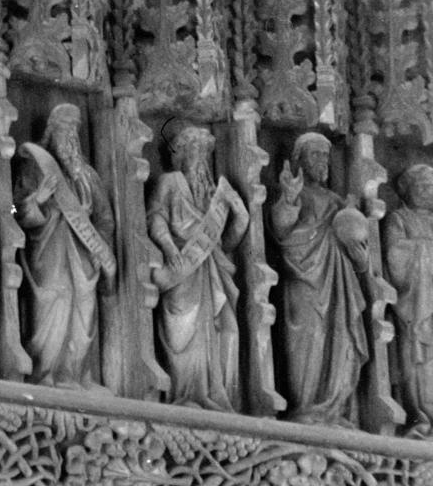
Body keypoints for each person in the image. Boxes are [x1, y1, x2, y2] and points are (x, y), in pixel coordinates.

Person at [270, 129, 372, 423]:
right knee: (309, 337)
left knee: (342, 340)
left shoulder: (337, 202)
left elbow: (360, 259)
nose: (322, 161)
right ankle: (308, 405)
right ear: (299, 159)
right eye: (315, 154)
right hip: (305, 280)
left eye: (325, 155)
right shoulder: (295, 192)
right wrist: (288, 200)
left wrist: (359, 251)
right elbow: (281, 231)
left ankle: (335, 408)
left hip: (340, 283)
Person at [147, 119, 248, 411]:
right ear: (181, 154)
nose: (202, 159)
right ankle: (188, 395)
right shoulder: (170, 182)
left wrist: (239, 212)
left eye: (206, 153)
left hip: (212, 271)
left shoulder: (214, 194)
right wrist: (167, 246)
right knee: (185, 332)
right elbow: (155, 217)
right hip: (182, 269)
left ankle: (220, 398)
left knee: (228, 330)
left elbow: (226, 243)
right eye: (196, 151)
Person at [17, 101, 115, 387]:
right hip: (49, 252)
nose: (70, 136)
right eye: (64, 129)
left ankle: (73, 374)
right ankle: (45, 373)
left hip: (84, 257)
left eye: (74, 130)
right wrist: (37, 199)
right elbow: (10, 209)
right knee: (55, 302)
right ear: (51, 132)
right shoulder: (35, 168)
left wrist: (102, 243)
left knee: (83, 312)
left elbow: (106, 218)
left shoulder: (88, 176)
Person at [386, 159, 433, 435]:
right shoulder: (399, 219)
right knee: (418, 361)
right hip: (417, 305)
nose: (428, 192)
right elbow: (395, 258)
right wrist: (425, 251)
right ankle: (421, 417)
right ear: (407, 190)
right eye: (423, 186)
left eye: (432, 187)